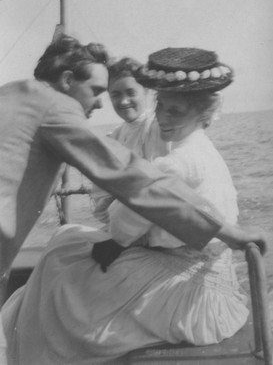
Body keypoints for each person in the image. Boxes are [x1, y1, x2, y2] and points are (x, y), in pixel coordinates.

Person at [1, 46, 267, 365]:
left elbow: (134, 182)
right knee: (63, 252)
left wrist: (226, 233)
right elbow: (128, 175)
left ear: (203, 113)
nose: (101, 103)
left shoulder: (14, 93)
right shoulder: (55, 109)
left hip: (191, 286)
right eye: (98, 91)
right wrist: (229, 234)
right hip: (196, 271)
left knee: (60, 267)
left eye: (175, 111)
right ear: (68, 80)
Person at [92, 56, 168, 227]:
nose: (124, 101)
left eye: (131, 93)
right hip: (127, 222)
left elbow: (163, 189)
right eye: (116, 95)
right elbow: (102, 194)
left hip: (158, 223)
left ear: (147, 91)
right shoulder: (115, 137)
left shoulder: (158, 128)